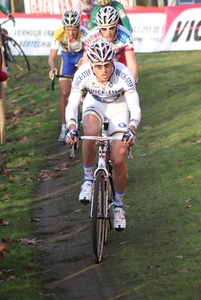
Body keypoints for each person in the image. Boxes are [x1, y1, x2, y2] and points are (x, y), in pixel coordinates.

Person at [65, 41, 141, 231]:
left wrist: (132, 128)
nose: (104, 70)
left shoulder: (123, 73)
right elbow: (72, 104)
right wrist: (72, 127)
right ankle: (88, 179)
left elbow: (134, 107)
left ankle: (118, 207)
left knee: (118, 159)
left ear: (113, 62)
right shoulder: (83, 73)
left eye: (107, 65)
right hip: (95, 105)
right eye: (98, 66)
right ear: (91, 65)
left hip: (119, 110)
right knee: (90, 133)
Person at [48, 10, 88, 143]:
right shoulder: (59, 33)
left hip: (81, 57)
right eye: (68, 29)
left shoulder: (85, 33)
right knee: (65, 93)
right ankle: (64, 126)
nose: (71, 33)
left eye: (74, 30)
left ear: (78, 27)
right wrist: (53, 68)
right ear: (64, 28)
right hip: (67, 59)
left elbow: (90, 54)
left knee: (84, 89)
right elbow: (52, 57)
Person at [81, 6, 138, 83]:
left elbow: (132, 64)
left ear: (117, 25)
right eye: (104, 29)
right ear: (99, 28)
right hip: (102, 63)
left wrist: (131, 85)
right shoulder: (91, 37)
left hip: (120, 60)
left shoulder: (125, 36)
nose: (108, 33)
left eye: (111, 28)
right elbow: (85, 65)